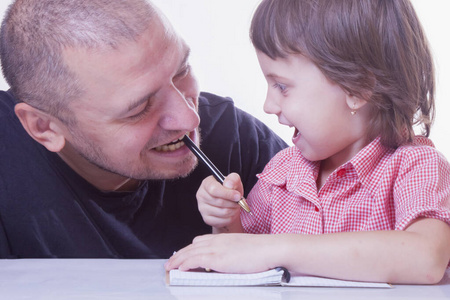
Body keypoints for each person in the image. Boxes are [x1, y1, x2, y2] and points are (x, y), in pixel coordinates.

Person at [166, 0, 450, 284]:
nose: (268, 105)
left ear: (358, 88)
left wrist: (278, 249)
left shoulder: (415, 167)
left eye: (282, 86)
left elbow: (426, 258)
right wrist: (227, 222)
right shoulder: (281, 174)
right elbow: (248, 258)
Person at [0, 0, 287, 258]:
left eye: (182, 70)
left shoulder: (235, 137)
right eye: (139, 109)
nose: (190, 120)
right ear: (44, 127)